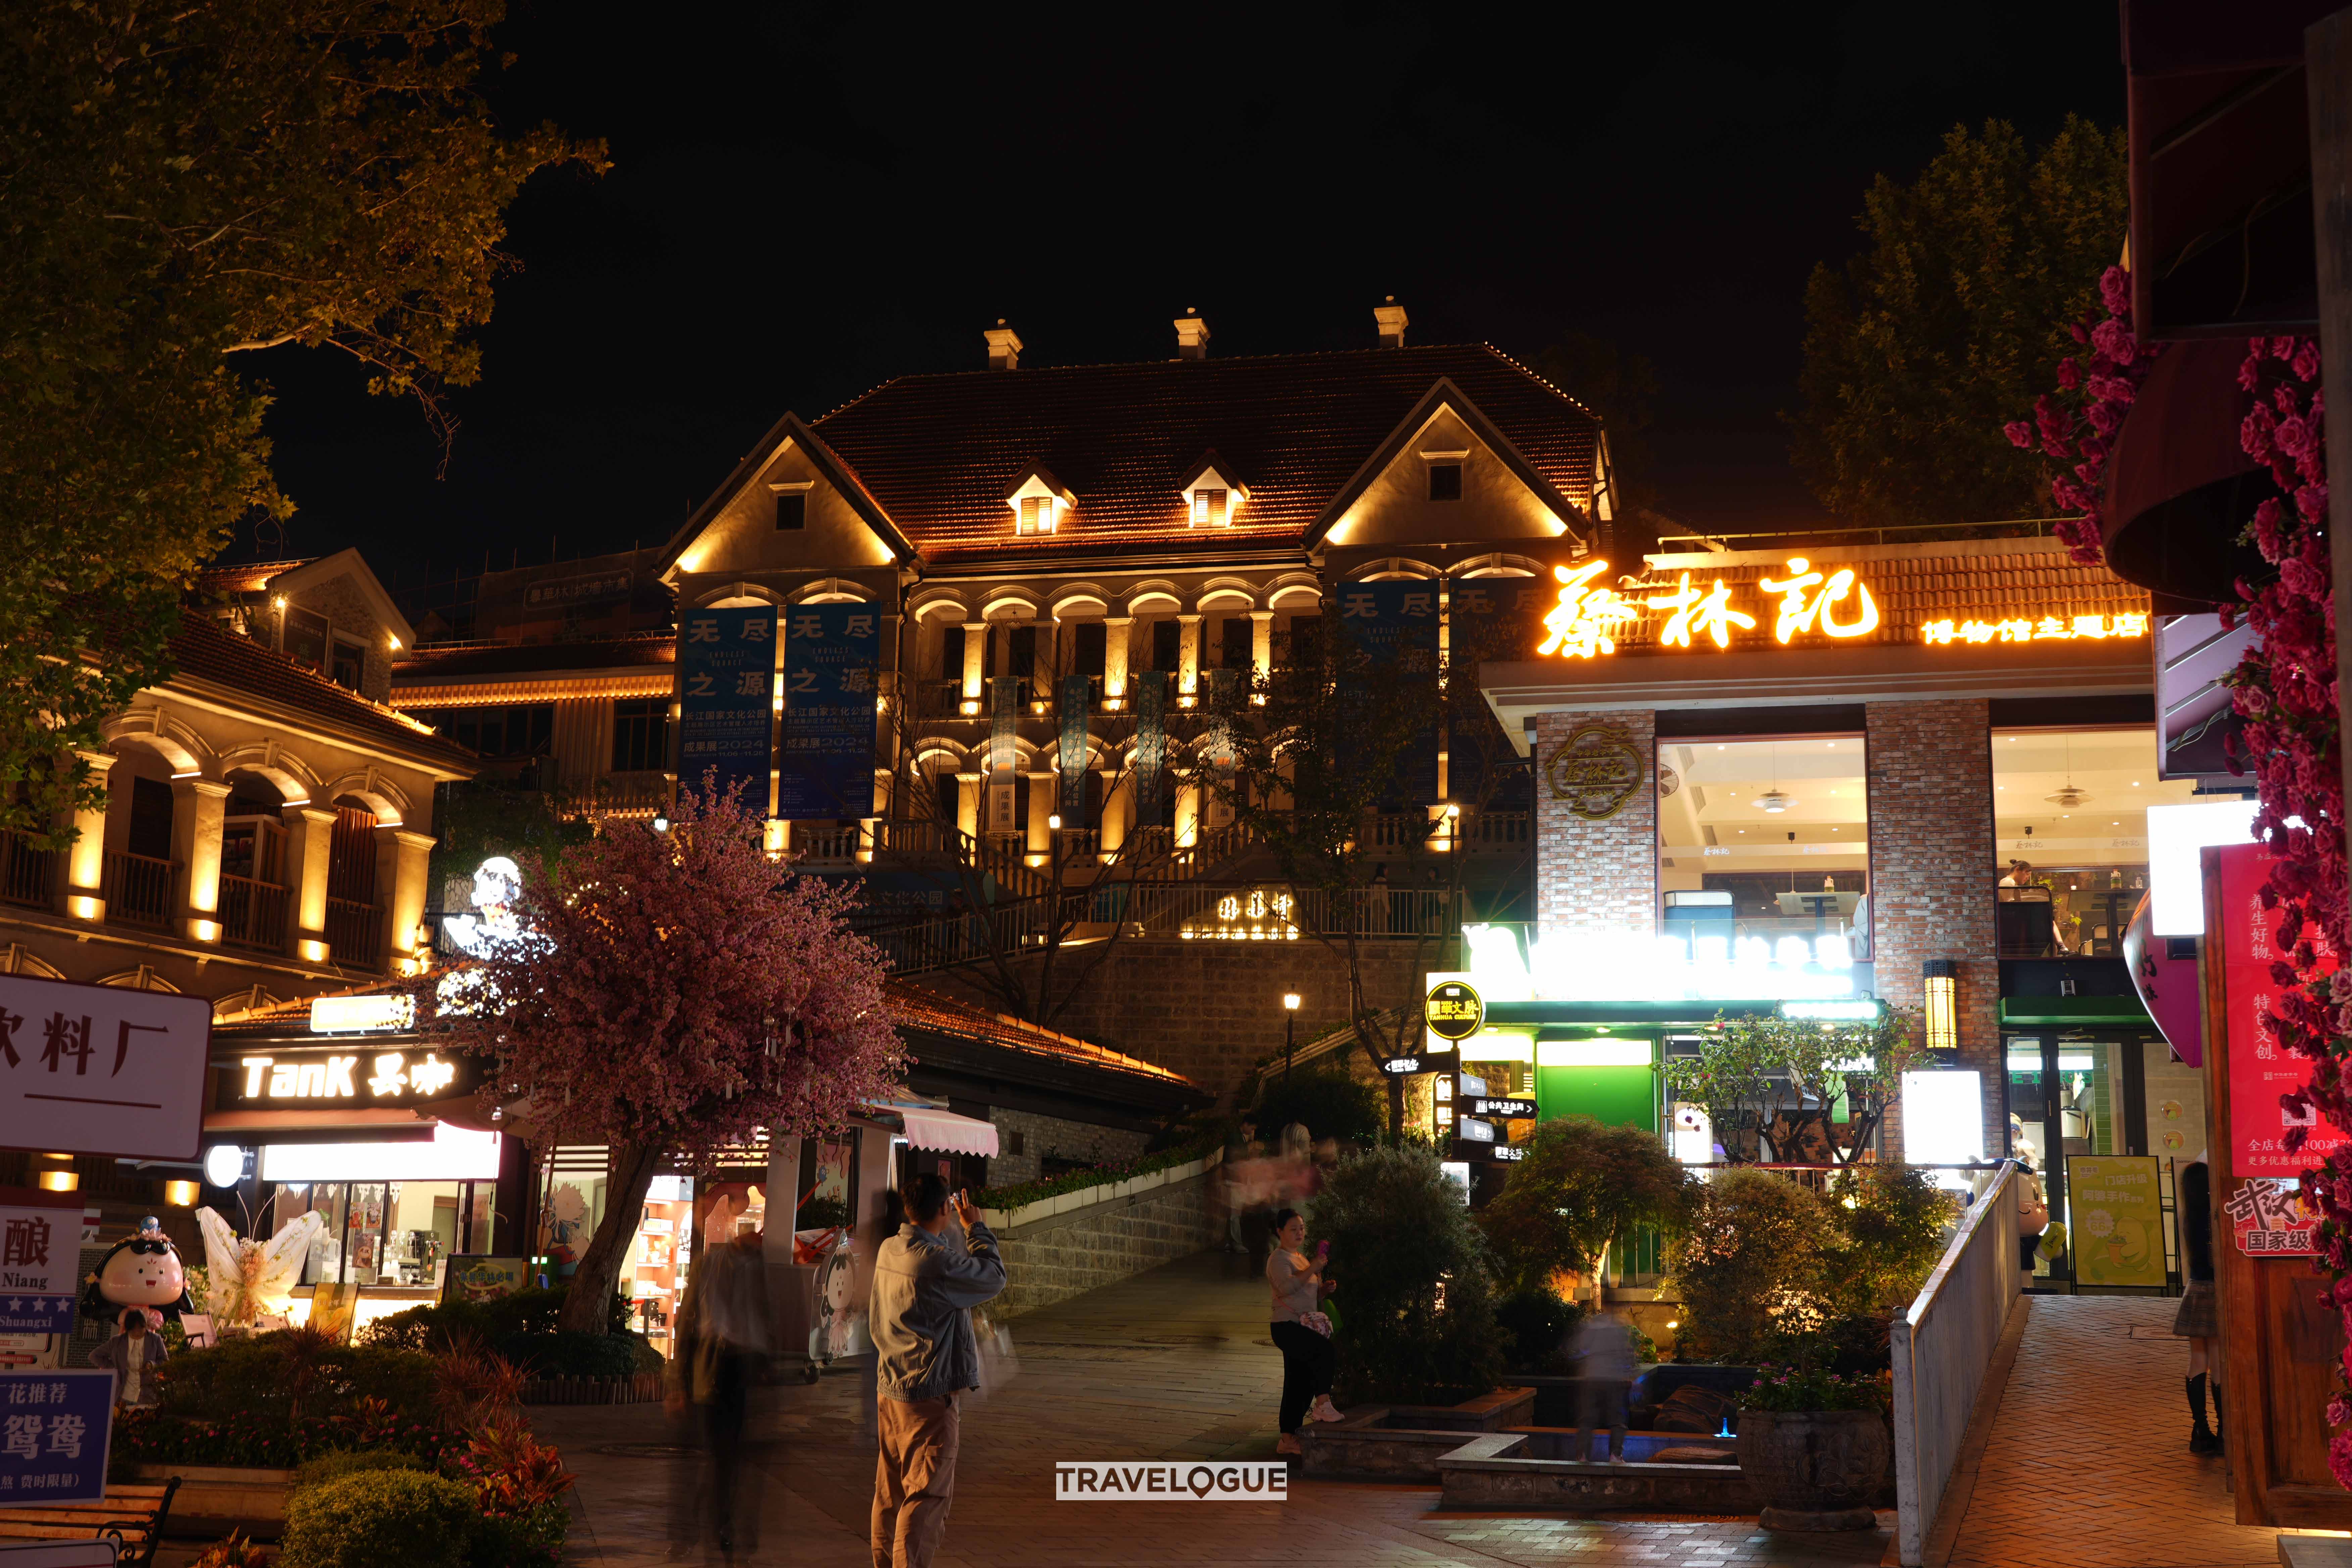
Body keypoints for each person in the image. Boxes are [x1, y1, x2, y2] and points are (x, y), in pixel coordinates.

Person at [869, 1172, 1007, 1568]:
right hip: (928, 1394)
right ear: (945, 1208)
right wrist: (976, 1227)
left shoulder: (889, 1249)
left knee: (890, 1493)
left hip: (891, 1385)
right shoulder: (934, 1263)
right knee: (925, 1496)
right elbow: (993, 1277)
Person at [666, 1222, 774, 1560]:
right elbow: (686, 1321)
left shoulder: (758, 1269)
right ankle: (711, 1522)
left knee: (728, 1453)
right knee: (716, 1452)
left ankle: (721, 1522)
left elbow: (764, 1317)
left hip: (741, 1369)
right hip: (710, 1367)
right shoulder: (710, 1263)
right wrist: (677, 1382)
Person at [1267, 1208, 1340, 1456]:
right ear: (1280, 1232)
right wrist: (1313, 1268)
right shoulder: (1279, 1259)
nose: (1300, 1233)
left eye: (1302, 1228)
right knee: (1323, 1350)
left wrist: (1323, 1290)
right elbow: (1287, 1287)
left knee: (1298, 1381)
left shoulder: (1301, 1258)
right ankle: (1323, 1404)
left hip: (1303, 1324)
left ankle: (1288, 1438)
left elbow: (1307, 1293)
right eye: (1293, 1229)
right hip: (1287, 1326)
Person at [2176, 1159, 2222, 1454]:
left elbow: (2191, 1258)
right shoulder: (2215, 1215)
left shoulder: (2187, 1214)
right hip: (2216, 1290)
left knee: (2198, 1360)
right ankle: (2225, 1432)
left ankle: (2199, 1429)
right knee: (2219, 1362)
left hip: (2194, 1289)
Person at [1569, 1306, 1638, 1463]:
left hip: (1591, 1379)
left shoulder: (1589, 1331)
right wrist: (1630, 1377)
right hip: (1614, 1380)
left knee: (1587, 1420)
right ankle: (1615, 1454)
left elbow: (1577, 1351)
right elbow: (1626, 1355)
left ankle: (1583, 1455)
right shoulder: (1617, 1331)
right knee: (1617, 1419)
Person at [89, 1306, 168, 1409]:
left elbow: (165, 1361)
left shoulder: (155, 1339)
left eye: (142, 1330)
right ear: (128, 1329)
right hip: (122, 1395)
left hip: (148, 1395)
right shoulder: (117, 1342)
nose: (139, 1334)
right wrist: (114, 1368)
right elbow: (94, 1356)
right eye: (135, 1332)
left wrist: (152, 1365)